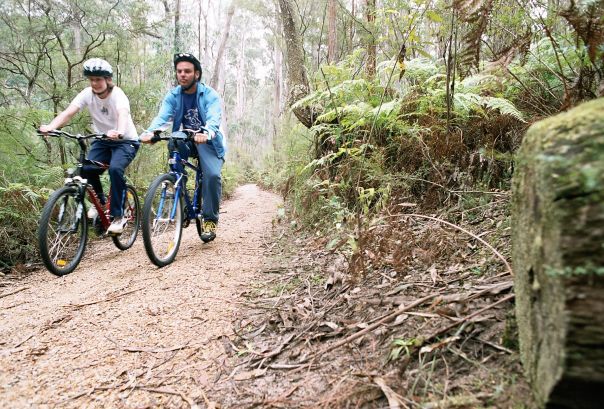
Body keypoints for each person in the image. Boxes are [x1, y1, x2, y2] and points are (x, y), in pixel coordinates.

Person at [40, 58, 140, 234]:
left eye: (99, 79)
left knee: (115, 169)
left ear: (107, 79)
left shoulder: (118, 94)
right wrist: (51, 127)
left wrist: (119, 130)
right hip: (103, 140)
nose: (95, 83)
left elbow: (122, 113)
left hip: (126, 141)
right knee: (85, 169)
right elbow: (68, 112)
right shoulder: (87, 94)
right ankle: (100, 203)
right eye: (92, 79)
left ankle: (118, 216)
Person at [140, 52, 225, 243]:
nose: (183, 75)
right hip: (185, 138)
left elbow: (213, 118)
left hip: (208, 140)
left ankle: (210, 220)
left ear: (196, 74)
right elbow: (162, 118)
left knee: (211, 176)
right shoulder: (173, 96)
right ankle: (180, 194)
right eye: (179, 71)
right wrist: (150, 132)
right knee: (174, 142)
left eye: (187, 71)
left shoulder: (209, 94)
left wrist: (207, 132)